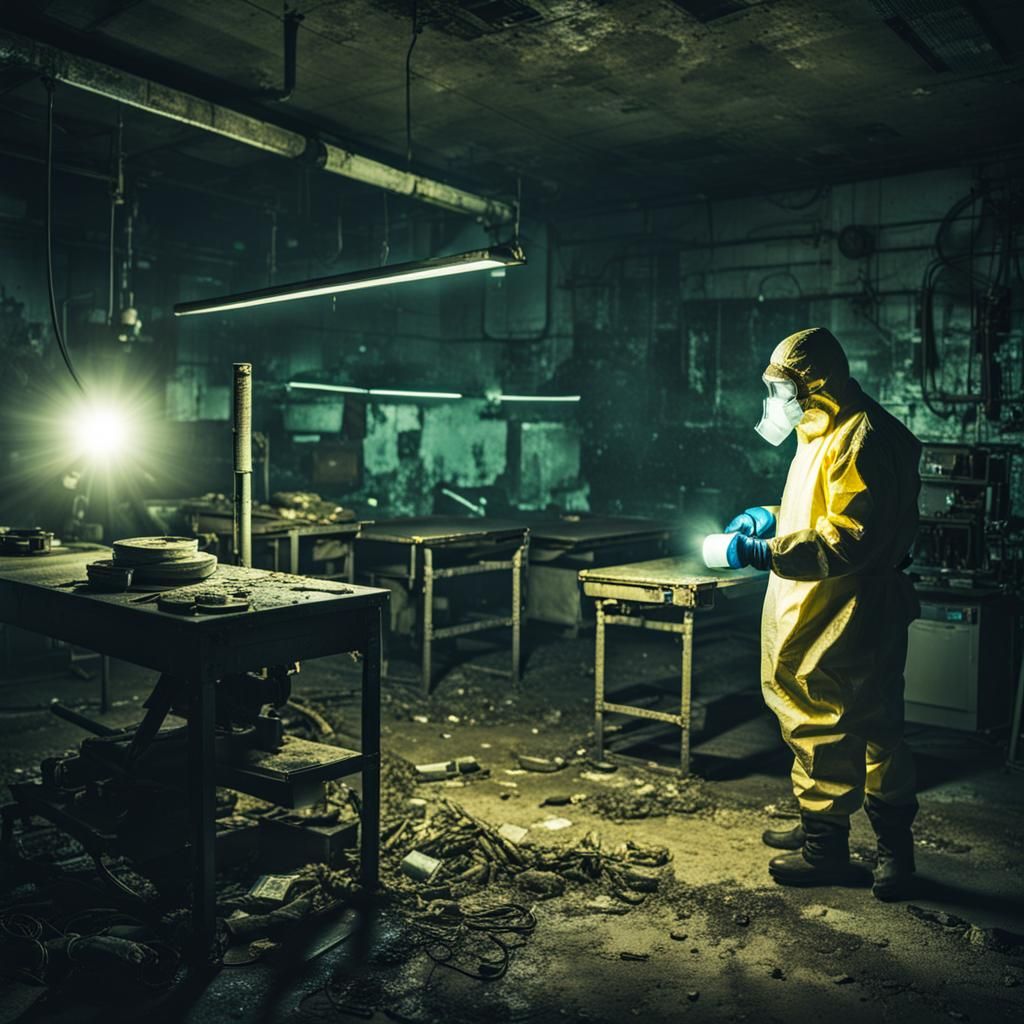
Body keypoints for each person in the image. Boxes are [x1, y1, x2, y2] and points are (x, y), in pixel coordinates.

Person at [719, 327, 921, 900]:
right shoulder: (826, 428)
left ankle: (854, 853)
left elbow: (850, 537)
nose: (776, 399)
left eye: (783, 387)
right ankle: (823, 829)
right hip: (824, 599)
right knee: (823, 720)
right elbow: (819, 505)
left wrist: (769, 550)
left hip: (845, 608)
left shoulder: (862, 437)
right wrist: (769, 514)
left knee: (844, 725)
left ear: (815, 384)